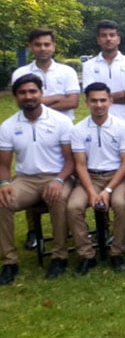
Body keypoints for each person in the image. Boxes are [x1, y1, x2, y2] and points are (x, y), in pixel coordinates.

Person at [0, 75, 74, 285]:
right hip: (26, 179)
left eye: (33, 91)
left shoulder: (60, 121)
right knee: (2, 202)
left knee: (57, 199)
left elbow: (70, 161)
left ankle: (59, 256)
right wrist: (4, 184)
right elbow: (4, 165)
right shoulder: (8, 126)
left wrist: (59, 180)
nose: (28, 96)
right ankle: (9, 261)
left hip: (58, 175)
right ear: (16, 97)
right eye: (22, 93)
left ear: (41, 93)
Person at [12, 28, 80, 250]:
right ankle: (34, 231)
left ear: (54, 46)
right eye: (38, 44)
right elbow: (24, 102)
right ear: (31, 47)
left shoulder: (66, 71)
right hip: (32, 127)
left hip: (62, 131)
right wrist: (57, 97)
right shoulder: (21, 72)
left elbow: (73, 102)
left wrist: (41, 104)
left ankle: (64, 233)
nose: (43, 48)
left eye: (47, 44)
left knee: (60, 178)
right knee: (31, 168)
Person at [66, 82, 125, 274]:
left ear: (110, 101)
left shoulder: (123, 127)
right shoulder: (78, 129)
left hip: (117, 178)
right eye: (94, 100)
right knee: (73, 207)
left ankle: (116, 252)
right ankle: (87, 255)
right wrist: (91, 193)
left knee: (121, 203)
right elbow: (80, 165)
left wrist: (108, 190)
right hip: (90, 177)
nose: (99, 105)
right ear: (86, 102)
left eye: (103, 100)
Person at [81, 20, 125, 122]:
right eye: (104, 35)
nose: (108, 39)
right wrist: (123, 93)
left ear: (118, 39)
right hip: (99, 122)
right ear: (98, 40)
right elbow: (91, 97)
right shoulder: (88, 66)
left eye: (112, 35)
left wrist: (100, 98)